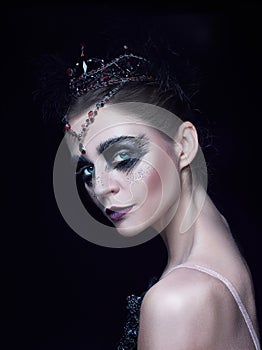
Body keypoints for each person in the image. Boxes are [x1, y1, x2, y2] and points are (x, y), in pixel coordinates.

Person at [39, 42, 260, 349]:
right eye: (87, 171)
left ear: (183, 145)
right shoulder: (220, 246)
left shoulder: (177, 301)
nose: (102, 187)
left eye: (123, 158)